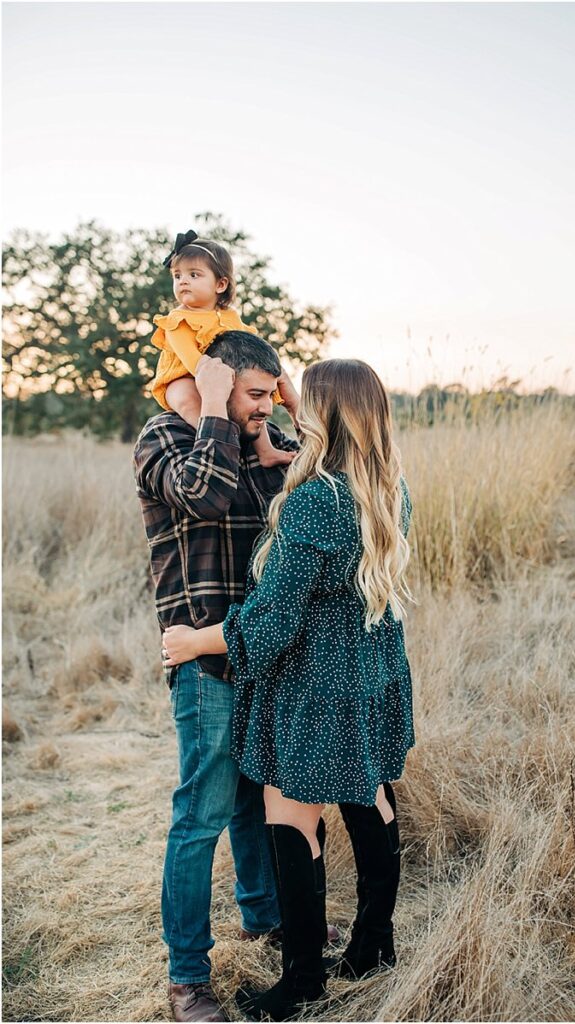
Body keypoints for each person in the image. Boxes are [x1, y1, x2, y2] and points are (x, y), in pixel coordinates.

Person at [162, 358, 415, 1022]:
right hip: (374, 675)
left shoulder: (311, 503)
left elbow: (273, 623)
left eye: (299, 400)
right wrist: (300, 431)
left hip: (312, 688)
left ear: (322, 416)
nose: (284, 406)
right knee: (371, 798)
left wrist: (196, 641)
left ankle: (301, 981)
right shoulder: (390, 487)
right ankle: (372, 946)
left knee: (291, 817)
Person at [134, 330, 305, 1023]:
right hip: (201, 657)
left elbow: (327, 478)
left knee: (253, 796)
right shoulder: (165, 440)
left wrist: (293, 405)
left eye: (274, 393)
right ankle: (187, 979)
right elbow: (201, 497)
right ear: (215, 384)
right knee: (201, 814)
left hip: (259, 651)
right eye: (256, 394)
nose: (266, 407)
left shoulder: (258, 443)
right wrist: (210, 410)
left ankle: (263, 917)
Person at [149, 228, 292, 469]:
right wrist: (219, 384)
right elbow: (194, 361)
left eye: (194, 275)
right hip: (183, 376)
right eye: (177, 276)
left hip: (226, 375)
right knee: (186, 399)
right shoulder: (175, 321)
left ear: (221, 284)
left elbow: (250, 350)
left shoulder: (230, 317)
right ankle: (217, 441)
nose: (183, 280)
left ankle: (267, 451)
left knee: (252, 399)